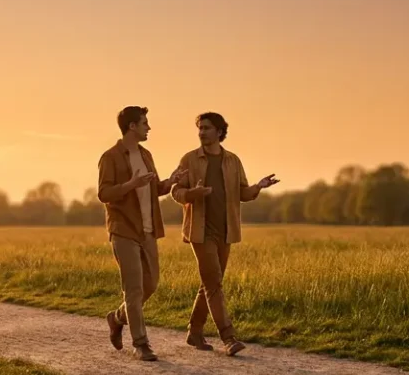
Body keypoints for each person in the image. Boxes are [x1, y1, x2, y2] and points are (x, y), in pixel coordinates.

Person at [171, 112, 279, 356]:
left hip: (226, 231)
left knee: (210, 283)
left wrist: (258, 187)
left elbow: (242, 193)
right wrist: (193, 194)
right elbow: (175, 191)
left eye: (206, 128)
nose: (201, 132)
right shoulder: (189, 159)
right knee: (214, 284)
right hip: (200, 231)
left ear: (219, 132)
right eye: (200, 128)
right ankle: (228, 337)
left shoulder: (232, 161)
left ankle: (194, 332)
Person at [98, 106, 186, 361]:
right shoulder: (110, 157)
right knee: (134, 290)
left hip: (148, 230)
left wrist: (170, 181)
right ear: (132, 126)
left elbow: (154, 188)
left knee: (151, 284)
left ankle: (117, 318)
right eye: (145, 123)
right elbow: (104, 193)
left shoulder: (146, 155)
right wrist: (130, 184)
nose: (149, 127)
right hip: (124, 229)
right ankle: (141, 344)